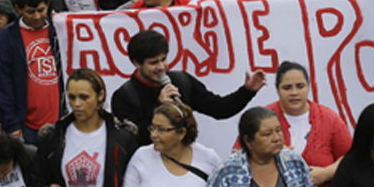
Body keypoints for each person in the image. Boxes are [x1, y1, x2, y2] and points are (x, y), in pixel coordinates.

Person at [111, 28, 264, 148]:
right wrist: (160, 108)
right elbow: (131, 141)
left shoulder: (181, 81)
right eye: (153, 63)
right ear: (137, 63)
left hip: (184, 160)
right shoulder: (124, 96)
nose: (161, 67)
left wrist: (247, 91)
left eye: (164, 59)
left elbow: (219, 109)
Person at [0, 0, 62, 146]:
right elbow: (3, 83)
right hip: (25, 127)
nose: (37, 16)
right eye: (31, 12)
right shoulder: (7, 37)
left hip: (60, 122)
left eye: (41, 10)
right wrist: (12, 125)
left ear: (48, 6)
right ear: (19, 9)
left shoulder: (59, 31)